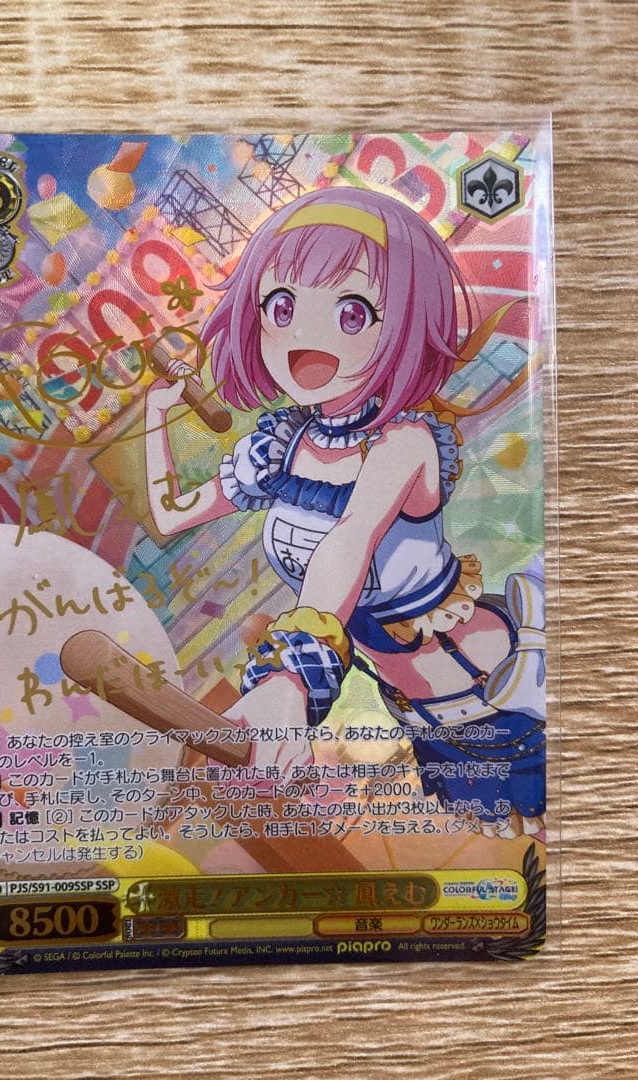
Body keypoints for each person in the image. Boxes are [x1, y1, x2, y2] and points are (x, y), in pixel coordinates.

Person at [144, 187, 545, 839]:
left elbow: (349, 543)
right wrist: (157, 417)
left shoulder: (404, 443)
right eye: (282, 306)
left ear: (405, 322)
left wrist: (291, 680)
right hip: (423, 716)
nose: (305, 336)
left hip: (500, 688)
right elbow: (169, 514)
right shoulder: (280, 448)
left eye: (353, 312)